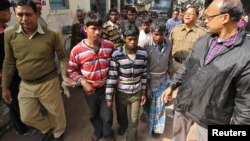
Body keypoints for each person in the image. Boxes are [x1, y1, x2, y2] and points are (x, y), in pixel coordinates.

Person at [162, 0, 249, 141]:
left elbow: (245, 106)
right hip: (185, 103)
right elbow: (187, 66)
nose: (204, 20)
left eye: (208, 17)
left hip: (212, 117)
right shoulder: (204, 39)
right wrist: (172, 85)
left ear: (225, 18)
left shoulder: (246, 55)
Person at [1, 1, 74, 141]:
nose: (24, 18)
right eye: (19, 14)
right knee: (26, 117)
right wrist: (5, 87)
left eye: (28, 14)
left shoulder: (51, 34)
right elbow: (9, 61)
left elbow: (63, 57)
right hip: (26, 84)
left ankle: (58, 133)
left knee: (55, 112)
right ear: (15, 15)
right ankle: (48, 128)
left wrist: (64, 75)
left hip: (49, 81)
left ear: (36, 14)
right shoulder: (10, 34)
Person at [68, 12, 114, 141]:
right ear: (85, 29)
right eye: (93, 29)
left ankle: (108, 135)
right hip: (90, 90)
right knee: (94, 114)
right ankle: (98, 132)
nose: (97, 32)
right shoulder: (77, 50)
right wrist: (83, 82)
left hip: (106, 88)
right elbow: (72, 70)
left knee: (107, 115)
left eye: (100, 28)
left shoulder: (109, 46)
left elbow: (114, 66)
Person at [0, 0, 37, 136]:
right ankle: (22, 129)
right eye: (7, 10)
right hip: (7, 77)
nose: (10, 13)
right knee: (14, 103)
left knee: (20, 101)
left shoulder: (7, 30)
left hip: (18, 74)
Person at [105, 24, 147, 141]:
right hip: (121, 92)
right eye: (130, 39)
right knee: (121, 115)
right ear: (124, 38)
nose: (133, 42)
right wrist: (109, 97)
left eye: (135, 39)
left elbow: (144, 74)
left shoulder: (143, 54)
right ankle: (122, 125)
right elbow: (112, 77)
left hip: (137, 92)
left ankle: (131, 138)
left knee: (134, 120)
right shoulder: (116, 54)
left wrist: (143, 92)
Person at [143, 19, 172, 138]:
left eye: (162, 34)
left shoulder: (169, 42)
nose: (159, 37)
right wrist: (147, 87)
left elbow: (169, 59)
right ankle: (148, 121)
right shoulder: (146, 44)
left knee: (160, 106)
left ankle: (156, 129)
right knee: (149, 105)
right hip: (151, 79)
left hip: (163, 78)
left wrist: (170, 77)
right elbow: (144, 66)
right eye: (156, 34)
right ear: (151, 33)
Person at [170, 6, 206, 73]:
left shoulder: (202, 33)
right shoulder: (176, 30)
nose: (187, 15)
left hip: (191, 67)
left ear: (197, 17)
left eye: (191, 14)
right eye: (186, 13)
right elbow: (169, 47)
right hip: (174, 65)